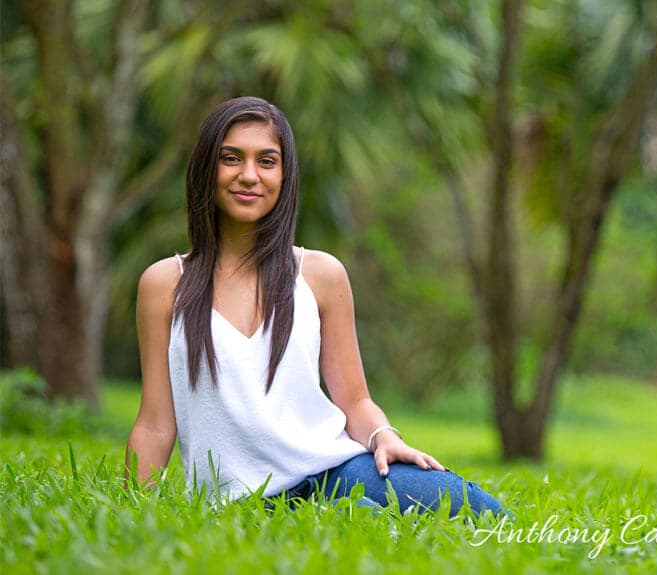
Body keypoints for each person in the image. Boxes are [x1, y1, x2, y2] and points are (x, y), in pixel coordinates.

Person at [125, 96, 509, 517]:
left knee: (484, 513)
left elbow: (355, 401)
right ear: (205, 170)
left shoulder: (319, 274)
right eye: (231, 158)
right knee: (362, 526)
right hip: (238, 504)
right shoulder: (164, 284)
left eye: (267, 161)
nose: (249, 175)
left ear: (284, 175)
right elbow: (155, 424)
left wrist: (384, 435)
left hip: (335, 470)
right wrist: (133, 513)